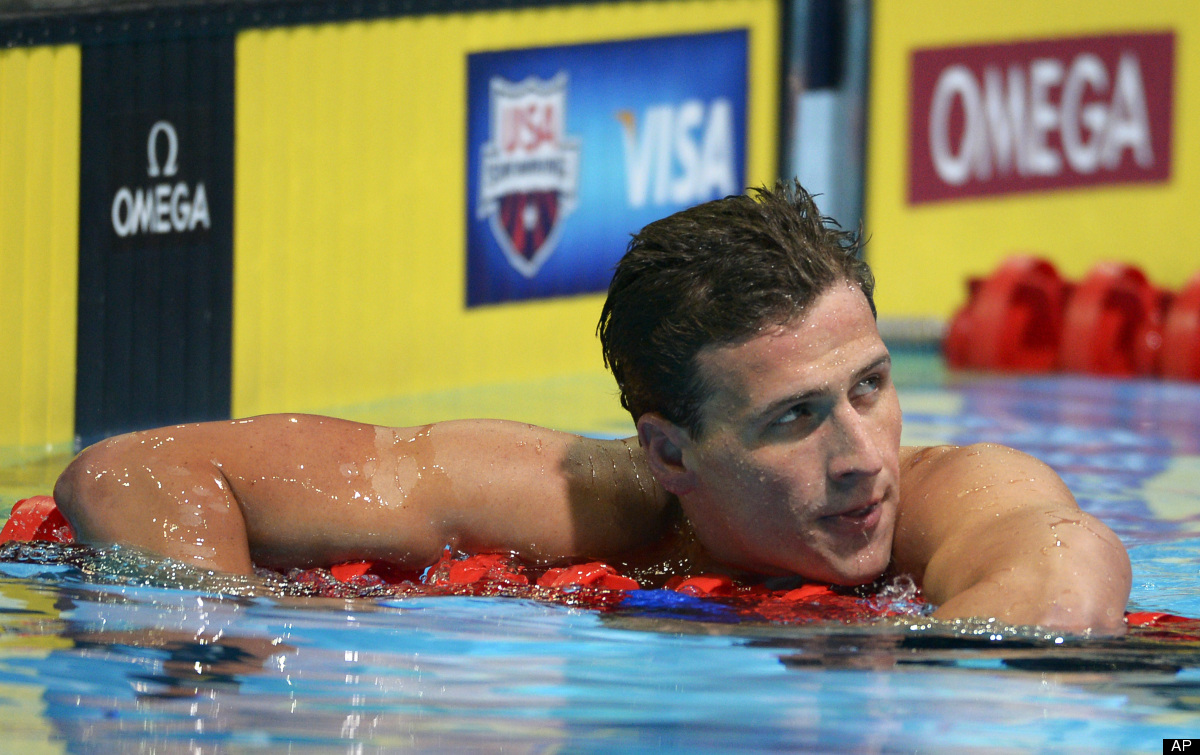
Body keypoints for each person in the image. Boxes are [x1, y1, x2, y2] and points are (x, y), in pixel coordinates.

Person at [53, 181, 1131, 632]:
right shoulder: (564, 500)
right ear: (671, 453)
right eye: (793, 418)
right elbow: (131, 471)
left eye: (870, 387)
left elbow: (1061, 582)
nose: (862, 456)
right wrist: (232, 642)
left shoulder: (963, 497)